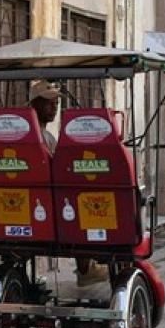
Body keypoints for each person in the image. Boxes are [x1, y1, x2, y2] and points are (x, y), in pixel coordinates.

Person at [29, 80, 107, 287]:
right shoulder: (40, 138)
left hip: (38, 203)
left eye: (56, 103)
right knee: (83, 207)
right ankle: (85, 268)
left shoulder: (44, 136)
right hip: (45, 205)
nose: (54, 107)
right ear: (34, 105)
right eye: (49, 103)